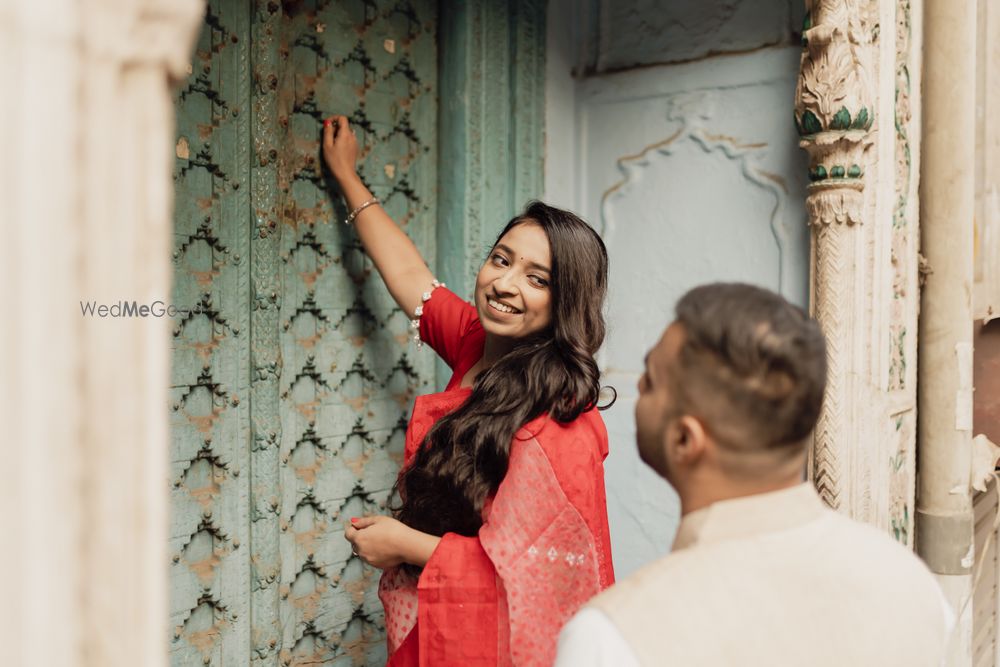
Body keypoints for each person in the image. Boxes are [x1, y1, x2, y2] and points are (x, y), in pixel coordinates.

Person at [321, 115, 616, 666]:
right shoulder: (476, 346)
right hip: (434, 625)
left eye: (538, 278)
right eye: (500, 259)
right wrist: (347, 176)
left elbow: (553, 575)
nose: (504, 284)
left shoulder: (563, 419)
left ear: (566, 302)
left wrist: (405, 545)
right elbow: (410, 276)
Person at [555, 283, 953, 667]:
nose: (638, 385)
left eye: (652, 380)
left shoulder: (616, 635)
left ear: (684, 439)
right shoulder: (913, 585)